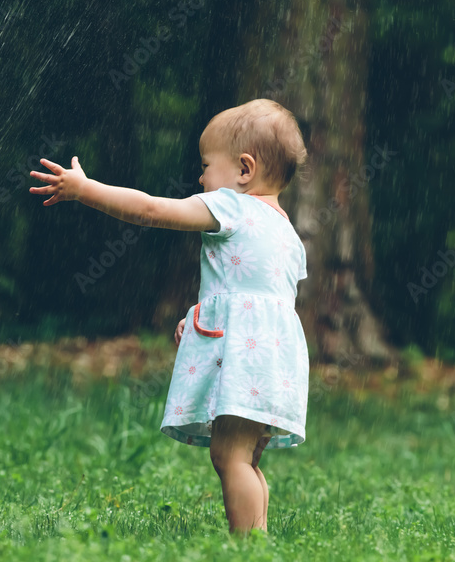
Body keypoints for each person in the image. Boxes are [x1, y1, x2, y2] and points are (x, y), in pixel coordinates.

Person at [29, 98, 309, 536]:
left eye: (205, 166)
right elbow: (254, 296)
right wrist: (201, 317)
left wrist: (86, 190)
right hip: (275, 361)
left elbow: (151, 210)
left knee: (228, 457)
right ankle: (257, 535)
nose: (200, 178)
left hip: (247, 361)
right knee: (245, 457)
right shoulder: (287, 232)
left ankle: (250, 546)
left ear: (244, 170)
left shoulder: (233, 207)